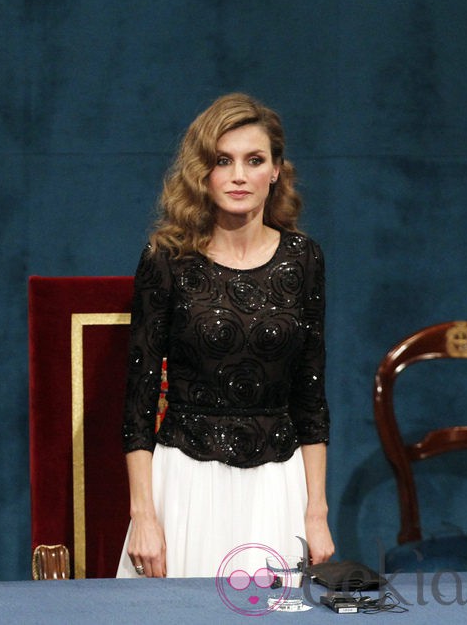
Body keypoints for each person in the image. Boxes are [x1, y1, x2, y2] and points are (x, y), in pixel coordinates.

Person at [117, 93, 334, 579]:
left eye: (254, 160)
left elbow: (311, 396)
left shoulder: (304, 259)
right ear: (203, 172)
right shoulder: (166, 258)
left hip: (278, 485)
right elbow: (139, 400)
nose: (239, 176)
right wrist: (144, 515)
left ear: (276, 170)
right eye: (223, 160)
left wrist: (315, 512)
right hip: (186, 484)